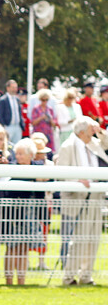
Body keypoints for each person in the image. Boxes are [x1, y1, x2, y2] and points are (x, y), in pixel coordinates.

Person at [56, 117, 108, 286]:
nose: (92, 134)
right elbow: (61, 173)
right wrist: (77, 181)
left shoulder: (93, 144)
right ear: (81, 132)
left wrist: (99, 131)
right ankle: (69, 276)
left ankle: (86, 276)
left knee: (93, 239)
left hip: (96, 197)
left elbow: (106, 144)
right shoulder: (68, 146)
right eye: (90, 131)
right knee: (78, 240)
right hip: (79, 199)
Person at [0, 138, 43, 286]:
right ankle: (9, 281)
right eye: (16, 154)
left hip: (30, 212)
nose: (18, 157)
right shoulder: (11, 168)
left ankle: (22, 281)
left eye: (21, 154)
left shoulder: (38, 166)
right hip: (13, 213)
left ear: (30, 154)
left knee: (24, 247)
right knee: (12, 247)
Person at [0, 79, 24, 143]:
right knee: (7, 144)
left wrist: (22, 124)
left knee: (17, 145)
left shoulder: (17, 99)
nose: (15, 89)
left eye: (15, 87)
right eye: (13, 87)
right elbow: (0, 115)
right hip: (8, 126)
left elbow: (19, 113)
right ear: (8, 88)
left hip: (17, 126)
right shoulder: (3, 100)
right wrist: (4, 125)